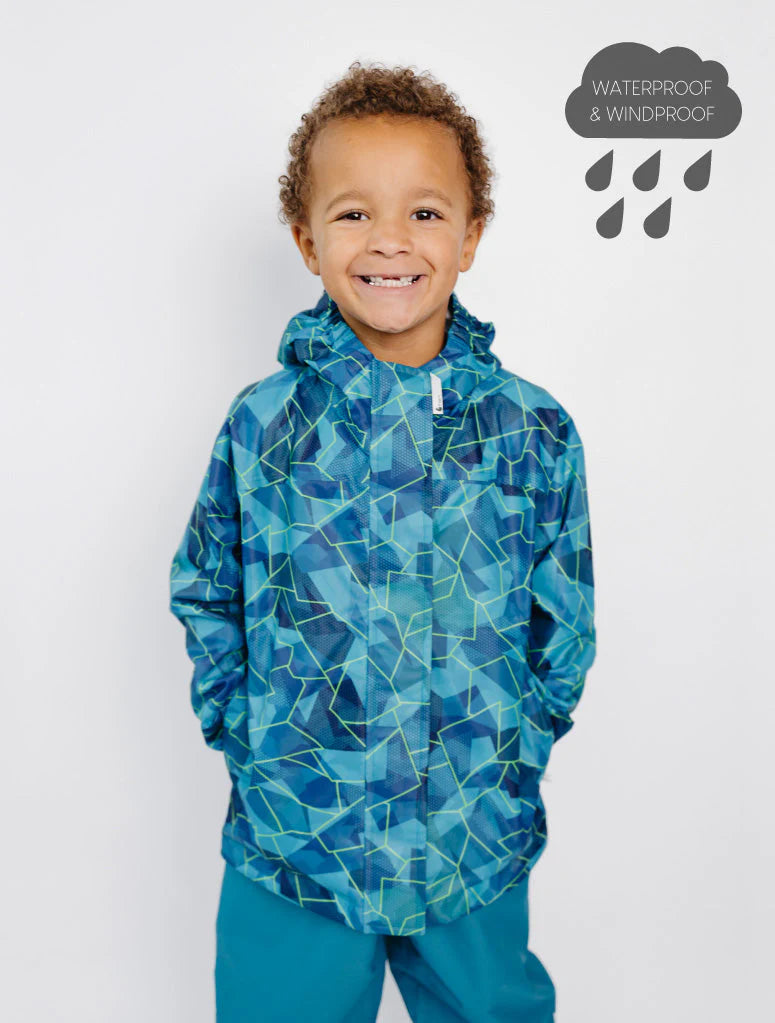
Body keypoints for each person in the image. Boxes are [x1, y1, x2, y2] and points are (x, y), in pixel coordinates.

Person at [169, 60, 597, 1023]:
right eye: (354, 213)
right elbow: (206, 585)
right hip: (298, 836)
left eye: (426, 212)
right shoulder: (264, 425)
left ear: (471, 235)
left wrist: (511, 753)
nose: (391, 240)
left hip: (470, 835)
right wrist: (251, 738)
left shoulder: (530, 431)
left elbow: (563, 620)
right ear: (306, 238)